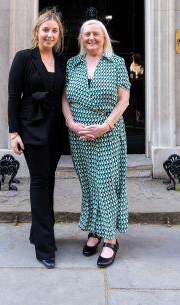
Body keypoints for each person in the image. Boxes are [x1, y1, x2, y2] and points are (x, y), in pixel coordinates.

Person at [62, 19, 130, 268]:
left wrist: (106, 126)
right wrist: (70, 121)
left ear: (104, 38)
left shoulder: (117, 63)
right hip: (79, 135)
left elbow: (124, 99)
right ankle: (95, 230)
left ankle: (110, 239)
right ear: (81, 38)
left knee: (105, 184)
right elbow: (64, 98)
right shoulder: (73, 64)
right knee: (90, 185)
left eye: (96, 34)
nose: (91, 38)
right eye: (86, 34)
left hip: (108, 134)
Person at [8, 8, 68, 269]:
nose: (50, 34)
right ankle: (44, 246)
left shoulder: (62, 60)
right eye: (46, 29)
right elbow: (13, 97)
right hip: (31, 125)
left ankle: (40, 233)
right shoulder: (24, 58)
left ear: (59, 34)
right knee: (40, 181)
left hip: (55, 126)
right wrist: (13, 133)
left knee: (49, 179)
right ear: (37, 31)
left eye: (55, 31)